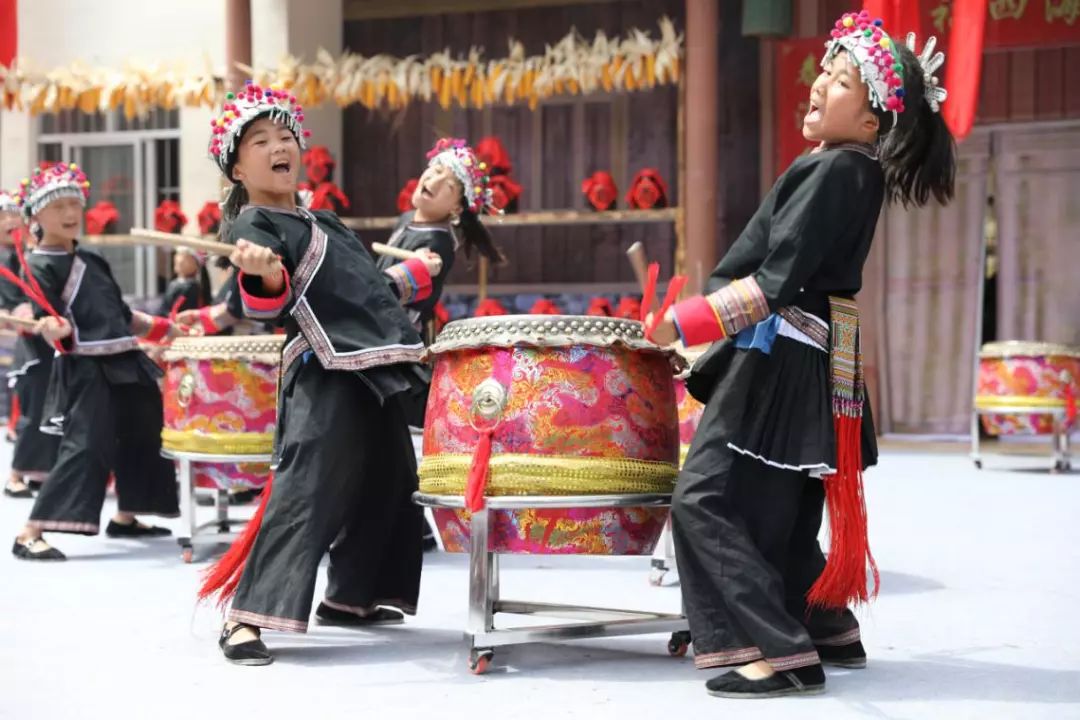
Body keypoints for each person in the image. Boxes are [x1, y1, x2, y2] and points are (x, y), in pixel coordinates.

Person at [649, 12, 955, 698]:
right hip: (804, 355)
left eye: (842, 80)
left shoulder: (838, 170)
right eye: (824, 70)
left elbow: (772, 285)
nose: (820, 84)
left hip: (782, 359)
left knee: (704, 500)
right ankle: (823, 628)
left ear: (873, 123)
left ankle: (773, 648)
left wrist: (682, 322)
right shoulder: (842, 166)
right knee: (780, 514)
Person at [195, 82, 442, 666]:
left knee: (387, 482)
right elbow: (263, 303)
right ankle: (246, 617)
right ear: (237, 167)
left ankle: (351, 597)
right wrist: (264, 275)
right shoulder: (254, 226)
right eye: (261, 140)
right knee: (309, 487)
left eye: (285, 136)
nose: (280, 145)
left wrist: (412, 275)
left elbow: (368, 293)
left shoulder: (321, 220)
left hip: (373, 369)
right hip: (323, 372)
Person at [10, 163, 183, 561]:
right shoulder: (38, 264)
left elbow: (121, 315)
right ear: (35, 216)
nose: (71, 214)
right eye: (60, 207)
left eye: (75, 204)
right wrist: (45, 325)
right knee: (87, 445)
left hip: (125, 358)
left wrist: (163, 328)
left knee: (145, 435)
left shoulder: (92, 257)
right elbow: (30, 312)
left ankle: (127, 514)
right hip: (85, 368)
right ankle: (30, 530)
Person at [0, 193, 59, 498]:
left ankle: (40, 472)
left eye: (14, 216)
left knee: (47, 408)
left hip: (44, 339)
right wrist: (18, 315)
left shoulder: (26, 254)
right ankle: (16, 476)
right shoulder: (5, 258)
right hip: (28, 343)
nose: (10, 222)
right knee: (32, 410)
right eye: (2, 217)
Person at [157, 248, 211, 317]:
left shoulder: (192, 286)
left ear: (195, 265)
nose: (180, 262)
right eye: (176, 261)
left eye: (184, 261)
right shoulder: (174, 284)